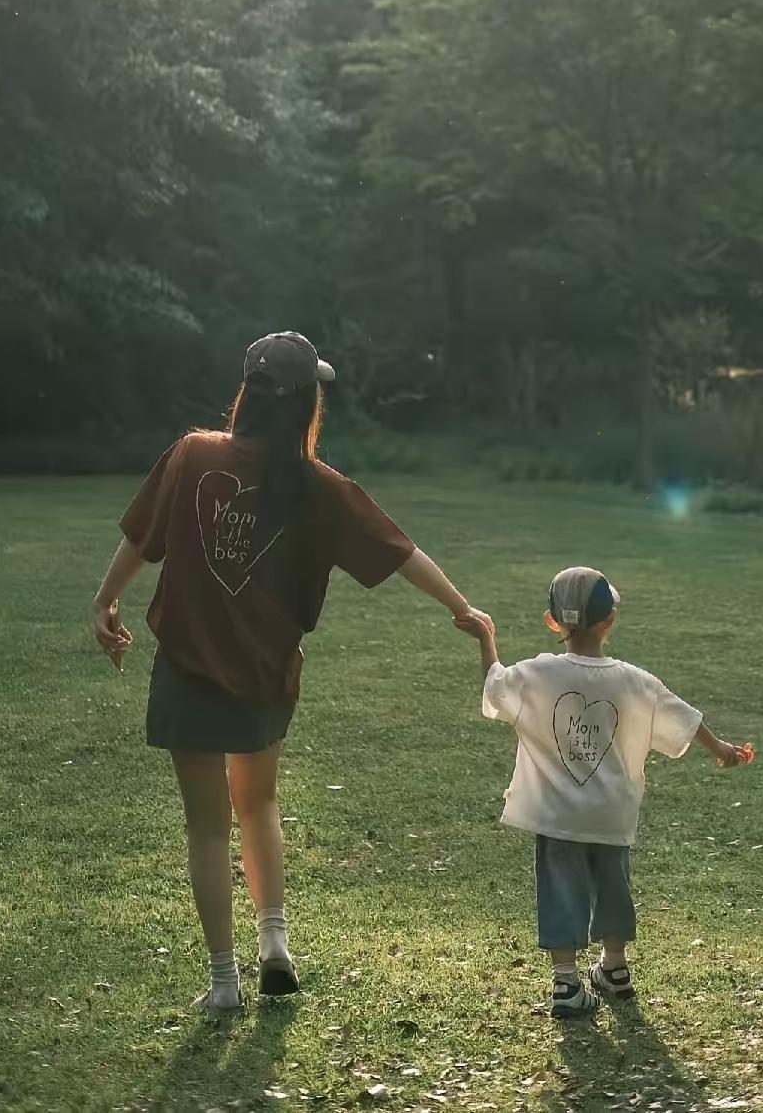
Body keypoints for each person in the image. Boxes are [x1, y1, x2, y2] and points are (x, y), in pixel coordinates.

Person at [91, 331, 491, 1016]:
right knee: (258, 803)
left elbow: (139, 538)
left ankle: (224, 982)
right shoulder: (317, 485)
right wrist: (463, 607)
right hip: (265, 672)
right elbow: (401, 551)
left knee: (207, 827)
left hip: (187, 665)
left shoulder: (192, 456)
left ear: (246, 392)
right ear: (308, 401)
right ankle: (275, 943)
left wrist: (105, 600)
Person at [469, 565, 754, 1017]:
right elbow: (686, 719)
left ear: (551, 620)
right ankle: (615, 969)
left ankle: (566, 982)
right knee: (612, 887)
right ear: (611, 620)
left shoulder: (539, 673)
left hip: (556, 815)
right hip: (611, 814)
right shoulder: (635, 680)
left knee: (562, 888)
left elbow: (495, 687)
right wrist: (722, 750)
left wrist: (486, 638)